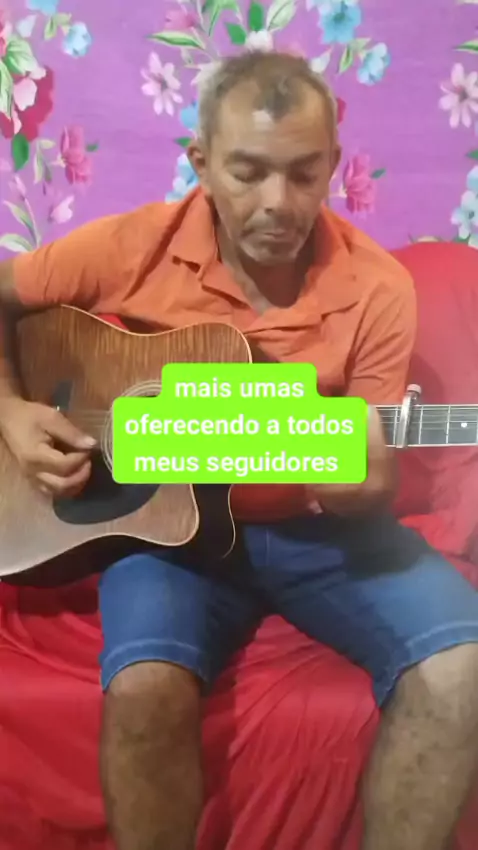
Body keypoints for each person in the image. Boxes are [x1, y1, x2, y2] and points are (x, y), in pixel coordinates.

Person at [0, 50, 477, 850]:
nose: (277, 203)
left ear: (333, 162)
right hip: (172, 538)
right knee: (143, 687)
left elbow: (369, 481)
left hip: (325, 537)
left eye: (303, 173)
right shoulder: (133, 245)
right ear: (202, 162)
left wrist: (357, 480)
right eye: (248, 172)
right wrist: (12, 412)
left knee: (463, 667)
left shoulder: (377, 288)